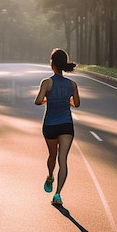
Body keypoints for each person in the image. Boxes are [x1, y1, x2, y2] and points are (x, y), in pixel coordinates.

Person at [34, 48, 81, 206]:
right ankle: (58, 194)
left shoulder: (47, 82)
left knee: (52, 156)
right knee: (63, 160)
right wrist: (65, 100)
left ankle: (50, 176)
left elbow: (38, 101)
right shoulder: (72, 84)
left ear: (52, 64)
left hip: (50, 125)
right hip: (67, 125)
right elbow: (77, 104)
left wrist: (49, 99)